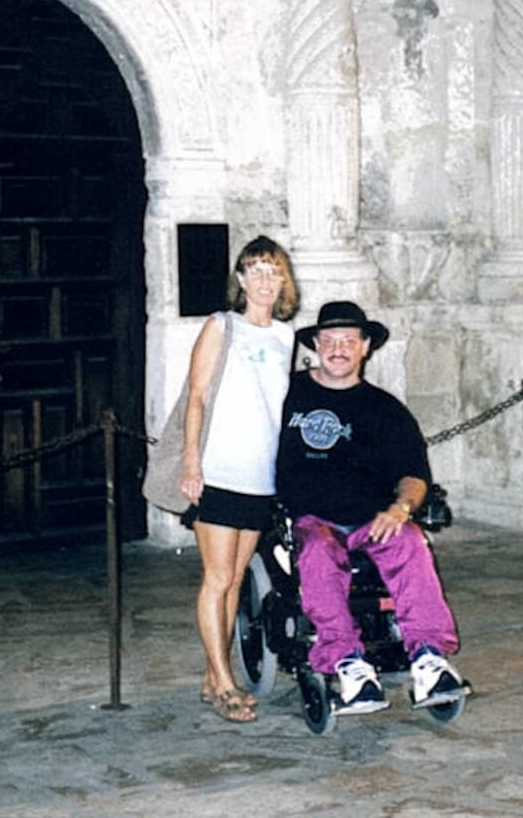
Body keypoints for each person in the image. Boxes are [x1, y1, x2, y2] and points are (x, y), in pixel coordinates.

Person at [275, 300, 464, 715]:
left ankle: (429, 659)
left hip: (370, 519)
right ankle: (348, 663)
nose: (338, 348)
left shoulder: (385, 410)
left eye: (348, 340)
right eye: (330, 340)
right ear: (316, 346)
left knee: (411, 541)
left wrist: (400, 509)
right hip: (310, 520)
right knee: (320, 552)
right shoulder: (286, 392)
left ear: (364, 347)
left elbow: (414, 475)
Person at [180, 236, 298, 723]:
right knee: (218, 577)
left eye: (274, 271)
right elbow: (197, 397)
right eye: (256, 271)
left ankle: (214, 677)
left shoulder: (287, 336)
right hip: (220, 470)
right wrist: (192, 461)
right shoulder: (221, 326)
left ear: (283, 281)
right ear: (241, 280)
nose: (265, 280)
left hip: (260, 476)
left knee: (235, 586)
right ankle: (224, 683)